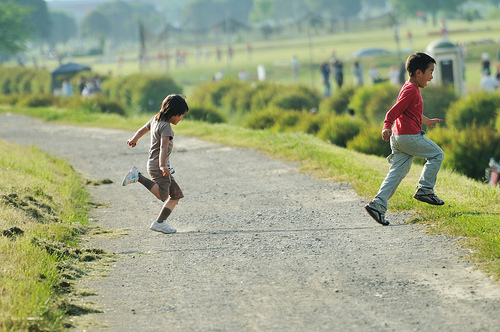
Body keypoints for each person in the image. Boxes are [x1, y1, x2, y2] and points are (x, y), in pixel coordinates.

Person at [365, 52, 445, 226]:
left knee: (396, 173)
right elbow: (394, 111)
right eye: (430, 72)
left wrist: (427, 120)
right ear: (418, 73)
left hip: (400, 138)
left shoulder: (409, 88)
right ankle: (425, 189)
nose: (431, 77)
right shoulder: (410, 90)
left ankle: (377, 205)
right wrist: (386, 125)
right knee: (437, 155)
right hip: (408, 137)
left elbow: (411, 110)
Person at [122, 94, 189, 234]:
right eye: (180, 115)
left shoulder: (155, 119)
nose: (181, 118)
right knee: (162, 195)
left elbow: (142, 130)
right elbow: (163, 147)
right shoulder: (166, 127)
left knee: (176, 195)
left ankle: (160, 223)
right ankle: (137, 176)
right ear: (173, 112)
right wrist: (163, 166)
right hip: (159, 166)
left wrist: (133, 140)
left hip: (154, 164)